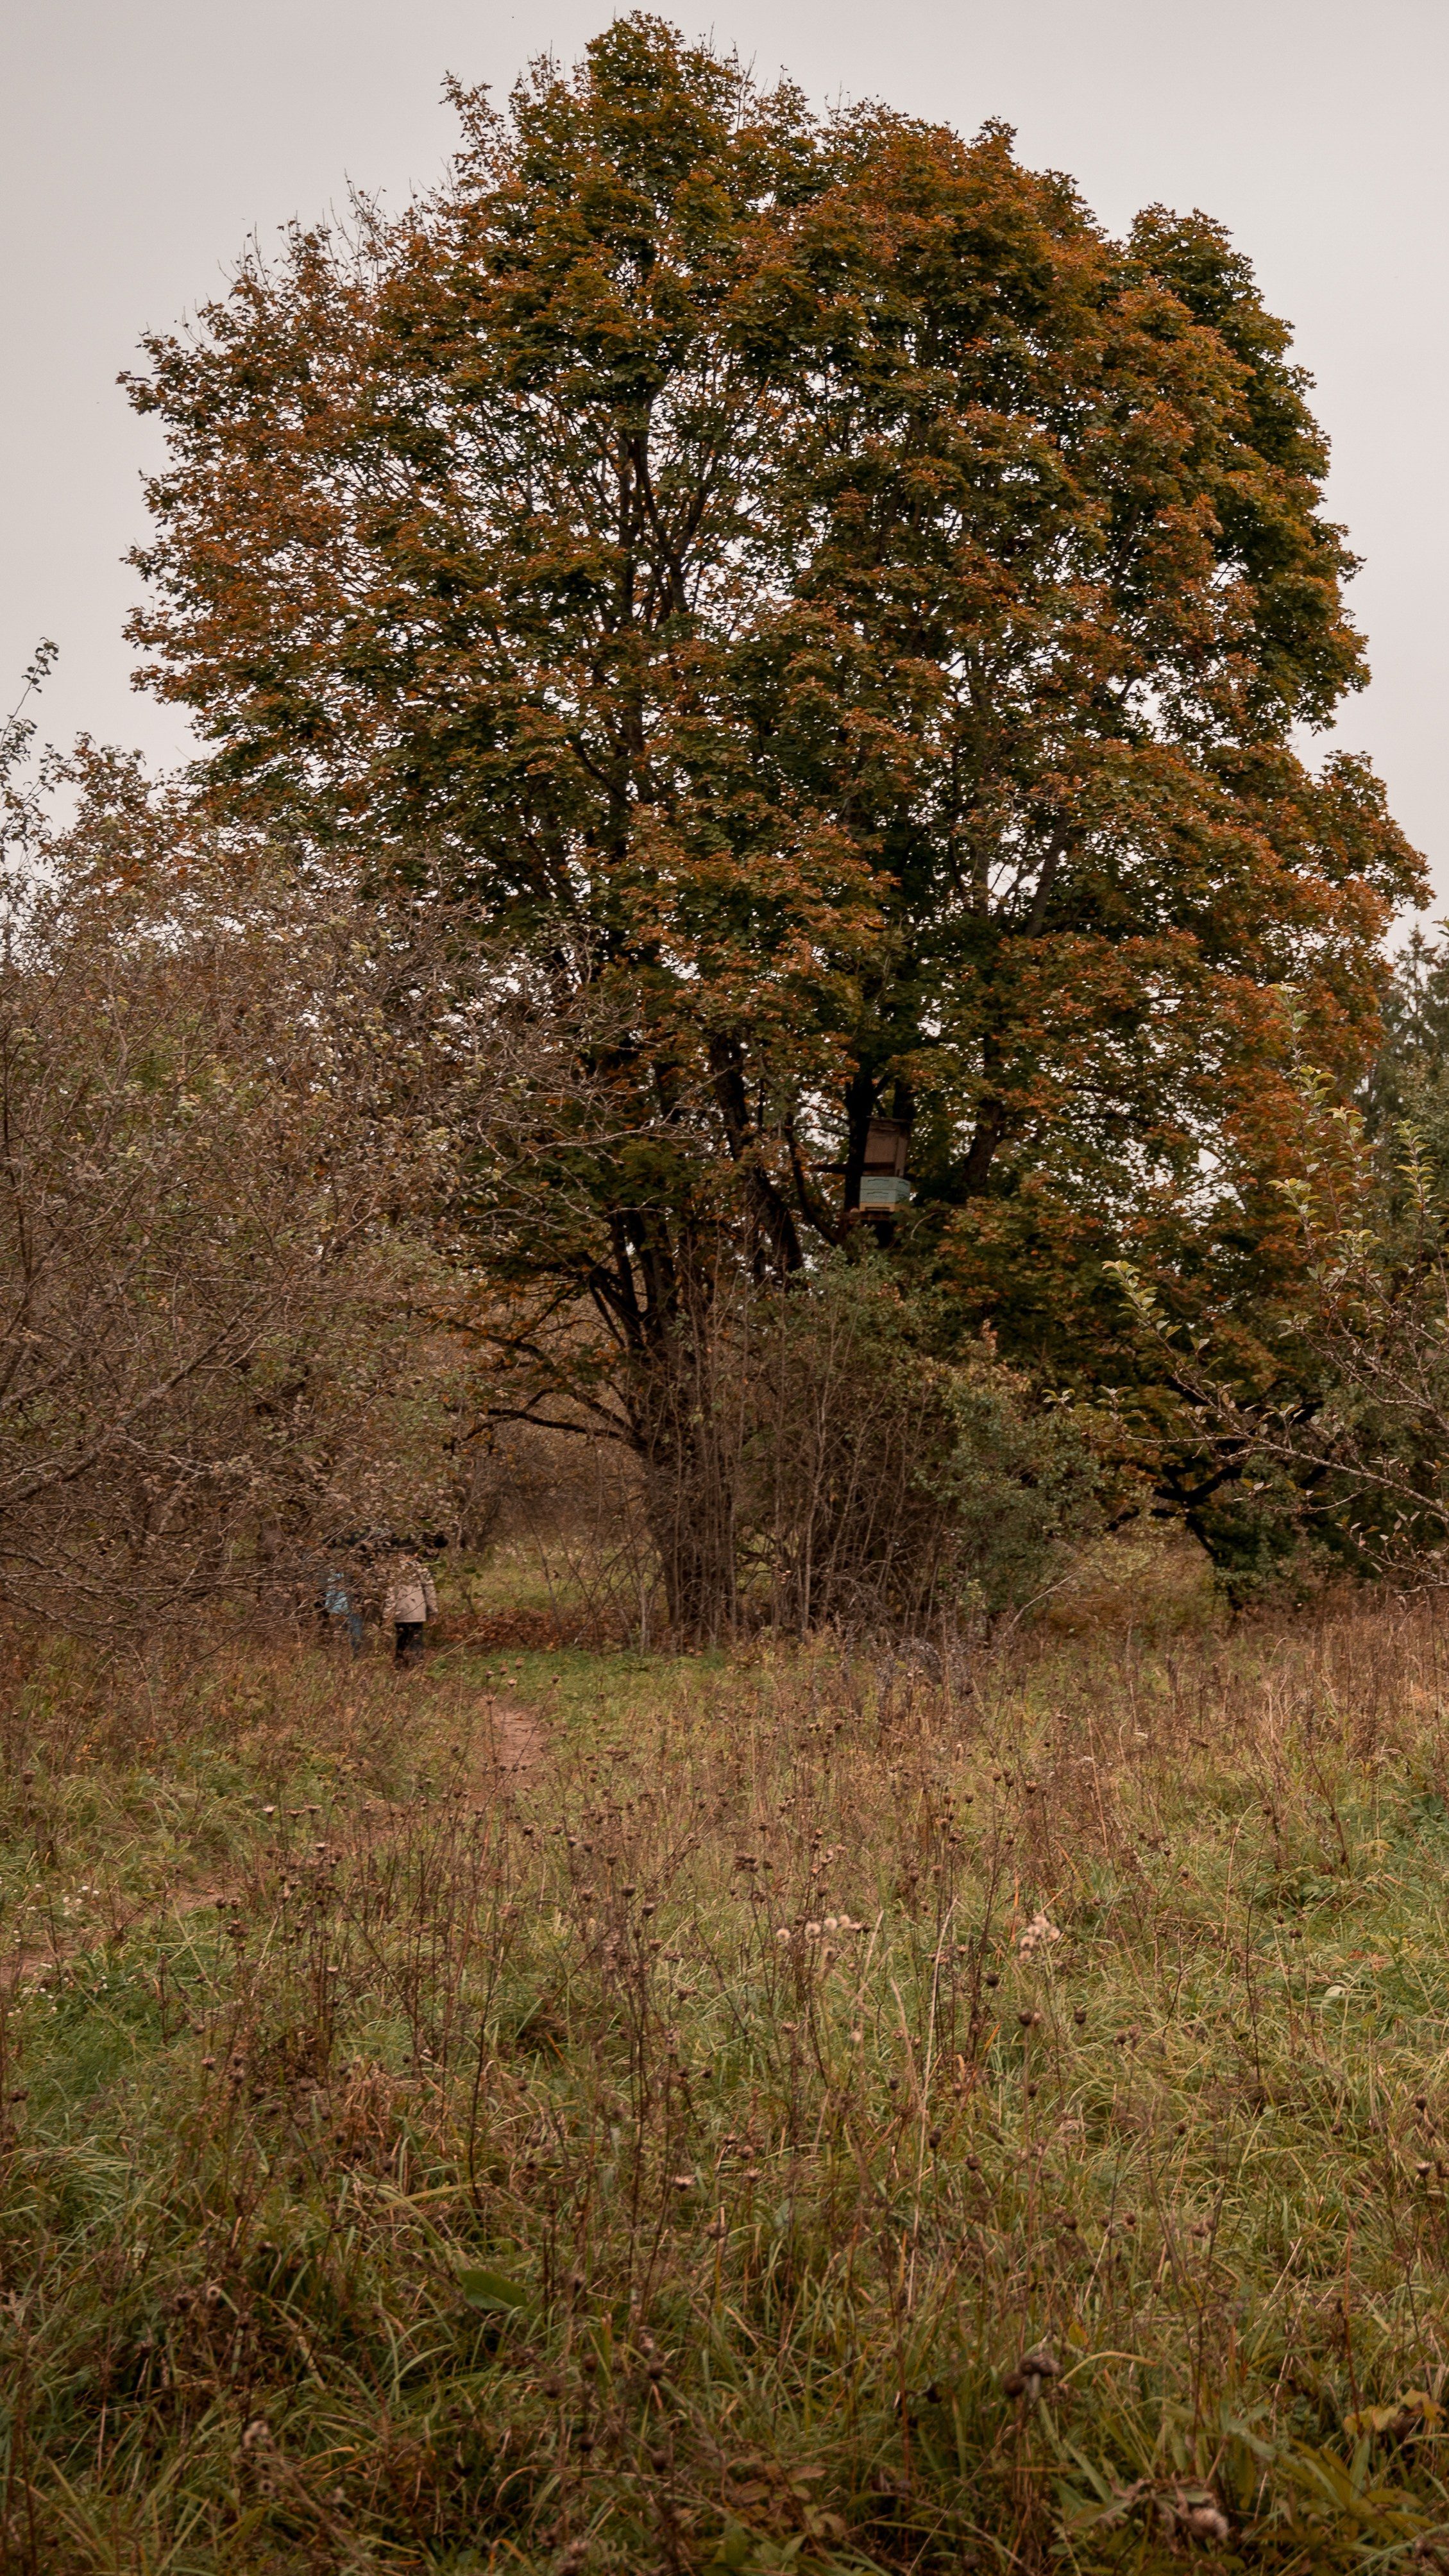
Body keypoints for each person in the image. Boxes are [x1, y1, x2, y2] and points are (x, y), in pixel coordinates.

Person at [382, 1551, 437, 1666]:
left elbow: (391, 1595)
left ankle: (400, 1666)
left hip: (400, 1613)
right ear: (415, 1554)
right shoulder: (422, 1569)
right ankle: (417, 1667)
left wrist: (387, 1615)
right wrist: (433, 1611)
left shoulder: (395, 1570)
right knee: (416, 1641)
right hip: (418, 1612)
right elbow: (430, 1591)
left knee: (401, 1640)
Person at [323, 1566, 364, 1656]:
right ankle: (352, 1656)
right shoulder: (359, 1571)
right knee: (354, 1634)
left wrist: (328, 1606)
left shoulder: (337, 1571)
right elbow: (331, 1589)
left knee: (341, 1633)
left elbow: (331, 1589)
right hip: (348, 1608)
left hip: (343, 1609)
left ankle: (341, 1655)